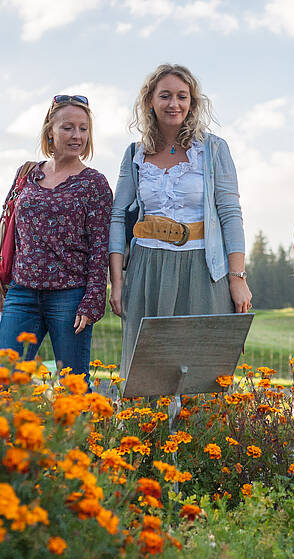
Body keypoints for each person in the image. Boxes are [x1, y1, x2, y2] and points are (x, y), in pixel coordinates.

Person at [109, 64, 251, 379]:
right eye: (165, 96)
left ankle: (202, 429)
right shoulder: (135, 153)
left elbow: (230, 214)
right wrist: (117, 282)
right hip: (149, 267)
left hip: (203, 266)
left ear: (192, 103)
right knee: (148, 368)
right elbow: (118, 216)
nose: (174, 104)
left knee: (204, 368)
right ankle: (148, 429)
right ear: (150, 101)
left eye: (182, 96)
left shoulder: (213, 150)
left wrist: (237, 277)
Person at [0, 95, 113, 385]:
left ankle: (83, 432)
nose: (77, 136)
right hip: (21, 294)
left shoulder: (94, 184)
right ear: (50, 130)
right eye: (68, 128)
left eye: (83, 129)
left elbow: (101, 247)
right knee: (5, 381)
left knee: (73, 386)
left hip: (70, 297)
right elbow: (10, 231)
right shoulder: (26, 174)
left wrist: (92, 301)